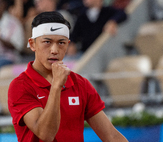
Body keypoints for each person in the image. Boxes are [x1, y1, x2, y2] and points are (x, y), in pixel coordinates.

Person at [8, 11, 128, 142]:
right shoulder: (20, 85)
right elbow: (45, 134)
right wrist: (56, 86)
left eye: (61, 43)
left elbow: (112, 136)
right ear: (32, 44)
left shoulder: (81, 83)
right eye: (47, 42)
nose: (54, 50)